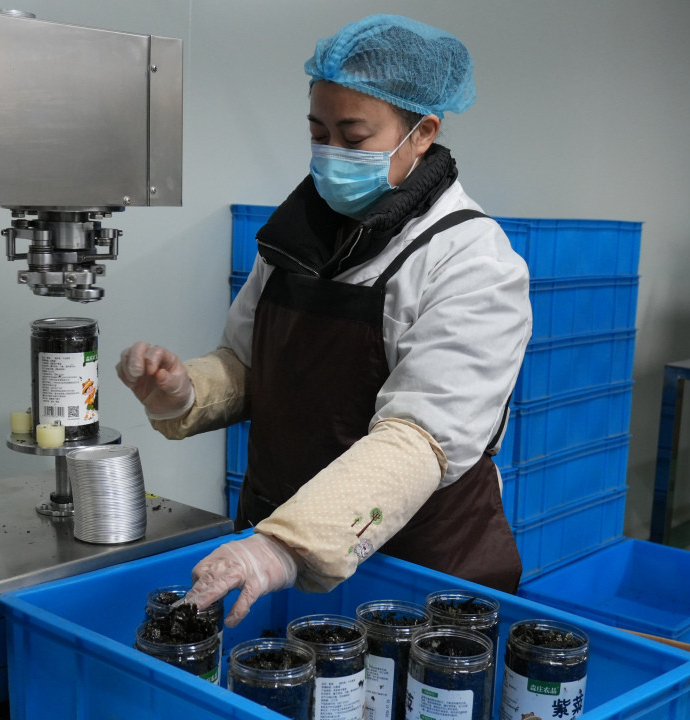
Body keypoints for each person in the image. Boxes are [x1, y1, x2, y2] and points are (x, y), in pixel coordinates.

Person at [117, 14, 532, 627]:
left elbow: (419, 440)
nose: (331, 153)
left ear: (422, 133)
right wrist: (188, 391)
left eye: (353, 136)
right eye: (318, 132)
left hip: (416, 570)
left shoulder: (472, 261)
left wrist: (281, 548)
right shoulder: (297, 236)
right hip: (281, 542)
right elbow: (250, 364)